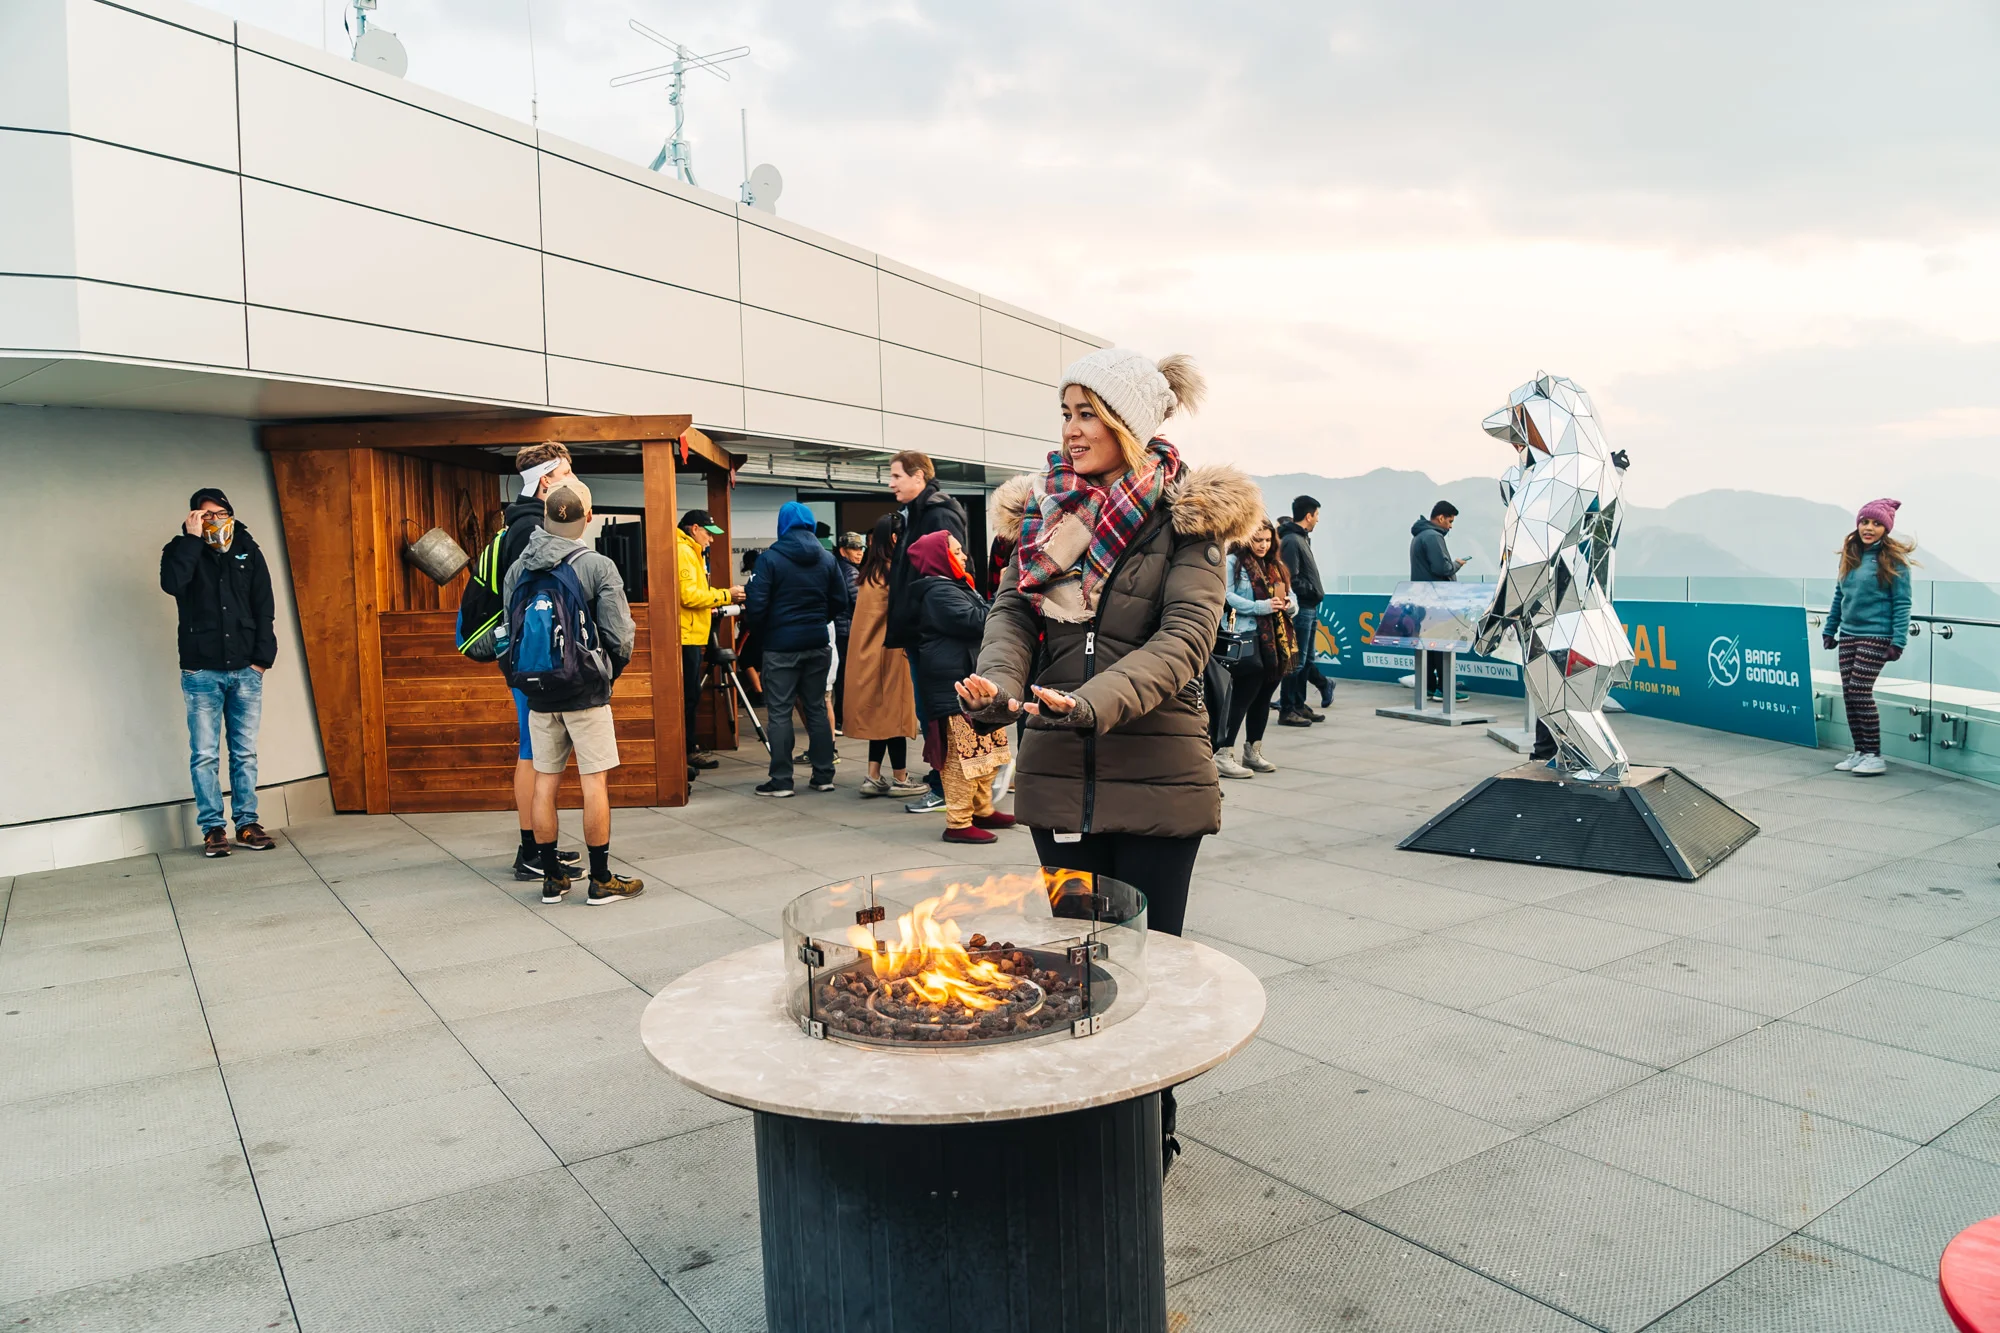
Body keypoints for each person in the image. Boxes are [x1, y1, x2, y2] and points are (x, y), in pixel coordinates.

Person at [954, 348, 1259, 1175]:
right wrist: (999, 684)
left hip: (1157, 775)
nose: (1073, 428)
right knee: (1075, 968)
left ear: (1128, 423)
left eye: (1088, 413)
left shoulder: (1186, 520)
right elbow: (1013, 616)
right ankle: (1085, 1124)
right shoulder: (1041, 513)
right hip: (1057, 774)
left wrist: (1092, 703)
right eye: (1065, 412)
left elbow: (1185, 639)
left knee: (1149, 966)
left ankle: (1147, 1131)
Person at [500, 481, 644, 906]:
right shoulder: (597, 566)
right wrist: (605, 674)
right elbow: (620, 636)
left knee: (545, 782)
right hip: (585, 692)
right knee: (593, 782)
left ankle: (551, 878)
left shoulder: (517, 570)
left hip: (539, 695)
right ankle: (600, 880)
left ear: (544, 519)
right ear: (588, 518)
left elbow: (509, 634)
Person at [160, 487, 279, 857]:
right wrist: (192, 541)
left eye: (218, 512)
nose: (212, 519)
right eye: (204, 514)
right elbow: (173, 585)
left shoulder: (248, 549)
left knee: (244, 752)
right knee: (205, 754)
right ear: (194, 517)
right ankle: (213, 829)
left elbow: (264, 606)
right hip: (201, 671)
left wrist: (262, 660)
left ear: (230, 512)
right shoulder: (180, 551)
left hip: (245, 669)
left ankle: (247, 823)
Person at [493, 443, 584, 878]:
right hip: (533, 658)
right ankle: (530, 850)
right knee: (533, 752)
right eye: (566, 472)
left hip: (525, 656)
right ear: (546, 480)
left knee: (537, 750)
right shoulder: (531, 530)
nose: (573, 480)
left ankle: (538, 845)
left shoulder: (519, 523)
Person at [907, 531, 1016, 843]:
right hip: (953, 688)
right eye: (956, 550)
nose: (964, 555)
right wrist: (1005, 592)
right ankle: (958, 823)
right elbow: (977, 620)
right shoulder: (937, 591)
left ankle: (982, 809)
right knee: (962, 758)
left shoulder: (955, 585)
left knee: (988, 750)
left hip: (971, 683)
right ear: (940, 557)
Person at [883, 450, 969, 813]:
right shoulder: (920, 512)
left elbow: (945, 570)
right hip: (926, 633)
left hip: (933, 636)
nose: (891, 483)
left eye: (897, 476)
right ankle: (952, 788)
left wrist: (921, 622)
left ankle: (948, 788)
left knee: (940, 714)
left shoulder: (936, 512)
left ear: (919, 477)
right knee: (936, 713)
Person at [746, 502, 850, 796]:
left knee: (779, 712)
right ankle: (823, 775)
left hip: (781, 646)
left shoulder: (770, 559)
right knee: (816, 707)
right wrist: (818, 620)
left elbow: (756, 605)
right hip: (818, 642)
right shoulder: (827, 559)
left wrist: (768, 631)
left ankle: (781, 781)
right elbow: (840, 600)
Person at [1824, 499, 1916, 778]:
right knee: (1849, 694)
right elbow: (1840, 595)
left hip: (1877, 635)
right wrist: (1830, 628)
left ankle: (1875, 755)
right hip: (1849, 633)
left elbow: (1902, 603)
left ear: (1885, 529)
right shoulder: (1850, 555)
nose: (1869, 528)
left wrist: (1898, 641)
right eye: (1865, 522)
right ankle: (1860, 751)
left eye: (1876, 524)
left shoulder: (1894, 560)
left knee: (1860, 691)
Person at [846, 517, 928, 799]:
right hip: (891, 653)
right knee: (895, 715)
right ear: (895, 539)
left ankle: (873, 775)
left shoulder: (869, 572)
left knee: (879, 716)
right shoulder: (895, 573)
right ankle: (901, 778)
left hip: (867, 654)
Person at [1215, 519, 1299, 778]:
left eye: (1267, 540)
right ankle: (1223, 752)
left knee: (1264, 695)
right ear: (1245, 538)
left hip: (1275, 639)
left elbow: (1292, 597)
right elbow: (1226, 595)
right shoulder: (1232, 563)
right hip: (1246, 634)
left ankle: (1252, 750)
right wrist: (1261, 606)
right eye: (1257, 540)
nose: (1263, 545)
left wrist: (1288, 604)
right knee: (1243, 696)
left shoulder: (1276, 565)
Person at [675, 508, 743, 781]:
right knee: (688, 697)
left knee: (691, 696)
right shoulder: (683, 551)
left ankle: (688, 748)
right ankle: (686, 750)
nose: (711, 540)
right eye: (708, 533)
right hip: (686, 635)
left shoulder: (691, 550)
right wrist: (727, 595)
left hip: (692, 633)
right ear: (694, 529)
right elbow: (689, 596)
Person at [1409, 500, 1471, 701]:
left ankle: (1428, 687)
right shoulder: (1433, 537)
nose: (1450, 526)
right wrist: (1457, 564)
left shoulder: (1419, 536)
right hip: (1438, 599)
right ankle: (1444, 689)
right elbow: (1442, 568)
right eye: (1450, 521)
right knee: (1443, 644)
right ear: (1440, 518)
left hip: (1423, 598)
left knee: (1428, 645)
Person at [1276, 495, 1328, 725]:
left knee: (1306, 660)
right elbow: (1290, 577)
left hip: (1310, 607)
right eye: (1317, 515)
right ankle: (1288, 709)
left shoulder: (1301, 539)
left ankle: (1299, 704)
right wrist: (1309, 592)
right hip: (1302, 609)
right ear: (1309, 516)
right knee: (1296, 661)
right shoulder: (1292, 541)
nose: (1317, 520)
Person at [832, 531, 865, 732]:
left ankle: (840, 717)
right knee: (846, 678)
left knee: (842, 678)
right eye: (854, 548)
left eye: (860, 548)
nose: (859, 553)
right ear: (843, 550)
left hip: (840, 629)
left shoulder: (839, 568)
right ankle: (842, 718)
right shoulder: (851, 572)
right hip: (846, 630)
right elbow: (859, 603)